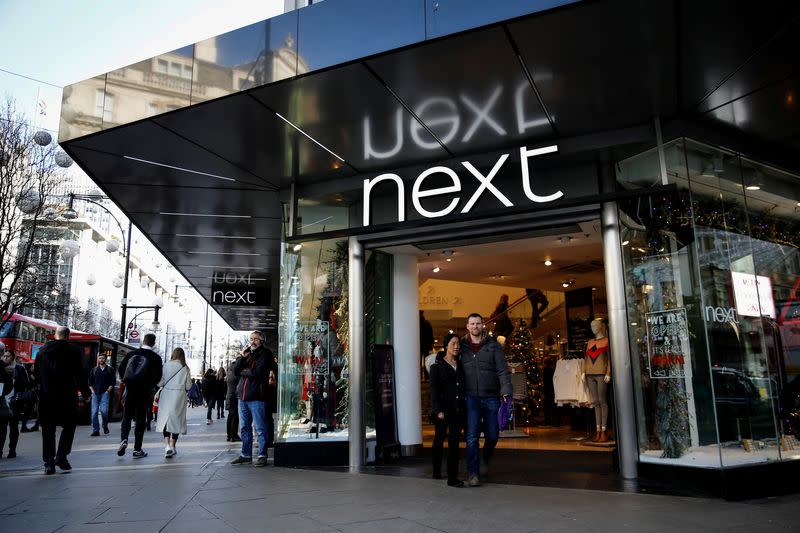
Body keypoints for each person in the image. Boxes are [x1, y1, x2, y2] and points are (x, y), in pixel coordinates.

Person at [460, 313, 512, 487]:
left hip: (491, 396)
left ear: (483, 325)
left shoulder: (493, 346)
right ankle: (473, 473)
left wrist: (506, 391)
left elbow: (502, 371)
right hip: (470, 397)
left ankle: (485, 457)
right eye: (472, 324)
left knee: (492, 435)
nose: (475, 326)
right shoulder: (461, 346)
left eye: (478, 323)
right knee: (472, 436)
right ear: (467, 326)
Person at [33, 326, 89, 475]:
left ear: (55, 336)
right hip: (67, 396)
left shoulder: (42, 351)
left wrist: (41, 389)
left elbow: (36, 374)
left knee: (48, 430)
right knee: (69, 427)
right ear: (68, 336)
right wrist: (86, 392)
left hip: (47, 396)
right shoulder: (75, 351)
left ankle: (49, 463)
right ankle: (62, 456)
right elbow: (81, 374)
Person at [231, 330, 275, 467]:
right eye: (251, 339)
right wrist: (242, 357)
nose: (252, 341)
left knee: (260, 428)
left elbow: (257, 372)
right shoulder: (247, 354)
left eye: (256, 339)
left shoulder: (265, 354)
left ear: (261, 341)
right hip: (242, 397)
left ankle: (262, 455)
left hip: (257, 397)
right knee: (244, 428)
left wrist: (243, 371)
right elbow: (235, 370)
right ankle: (246, 454)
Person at [117, 333, 163, 459]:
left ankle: (124, 439)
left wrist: (125, 381)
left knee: (127, 416)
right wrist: (150, 384)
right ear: (154, 344)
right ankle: (137, 449)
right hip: (144, 391)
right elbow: (158, 377)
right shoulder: (156, 358)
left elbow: (121, 369)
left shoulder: (131, 354)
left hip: (130, 389)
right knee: (141, 419)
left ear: (143, 341)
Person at [429, 333, 465, 488]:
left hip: (458, 410)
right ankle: (436, 470)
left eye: (458, 344)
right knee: (439, 439)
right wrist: (438, 410)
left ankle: (452, 477)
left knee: (454, 443)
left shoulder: (461, 365)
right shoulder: (436, 367)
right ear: (446, 346)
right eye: (453, 344)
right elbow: (434, 390)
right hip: (443, 410)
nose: (456, 346)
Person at [155, 347, 192, 458]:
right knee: (176, 419)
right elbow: (188, 385)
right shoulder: (185, 368)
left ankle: (166, 446)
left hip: (166, 394)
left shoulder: (166, 365)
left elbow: (160, 382)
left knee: (166, 419)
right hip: (179, 395)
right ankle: (173, 445)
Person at [584, 318, 611, 443]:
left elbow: (610, 358)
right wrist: (584, 371)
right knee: (595, 402)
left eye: (595, 325)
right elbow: (586, 358)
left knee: (602, 401)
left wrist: (608, 372)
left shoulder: (606, 341)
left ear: (600, 326)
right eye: (591, 325)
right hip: (590, 374)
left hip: (601, 373)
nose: (593, 327)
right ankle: (598, 431)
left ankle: (604, 431)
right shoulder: (590, 342)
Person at [1, 349, 31, 458]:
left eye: (8, 356)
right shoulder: (1, 368)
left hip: (15, 402)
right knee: (2, 428)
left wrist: (18, 395)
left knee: (14, 427)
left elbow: (26, 384)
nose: (5, 358)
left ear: (13, 357)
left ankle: (12, 450)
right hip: (3, 402)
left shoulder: (19, 369)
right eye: (4, 356)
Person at [88, 353, 115, 436]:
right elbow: (90, 383)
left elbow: (112, 383)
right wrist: (92, 392)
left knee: (104, 411)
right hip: (95, 393)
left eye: (103, 358)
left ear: (105, 359)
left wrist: (107, 391)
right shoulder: (94, 369)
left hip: (104, 393)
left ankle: (105, 425)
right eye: (100, 358)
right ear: (98, 359)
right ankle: (96, 430)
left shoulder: (110, 370)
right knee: (94, 412)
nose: (101, 360)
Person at [225, 359, 240, 442]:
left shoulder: (229, 372)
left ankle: (229, 435)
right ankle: (233, 435)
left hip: (229, 396)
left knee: (230, 416)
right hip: (234, 396)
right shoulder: (235, 373)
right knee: (234, 417)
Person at [419, 311, 434, 378]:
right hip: (425, 346)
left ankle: (423, 377)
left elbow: (430, 335)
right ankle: (426, 377)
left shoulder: (417, 323)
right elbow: (431, 336)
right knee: (426, 361)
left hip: (421, 346)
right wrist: (431, 345)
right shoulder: (427, 323)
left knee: (423, 361)